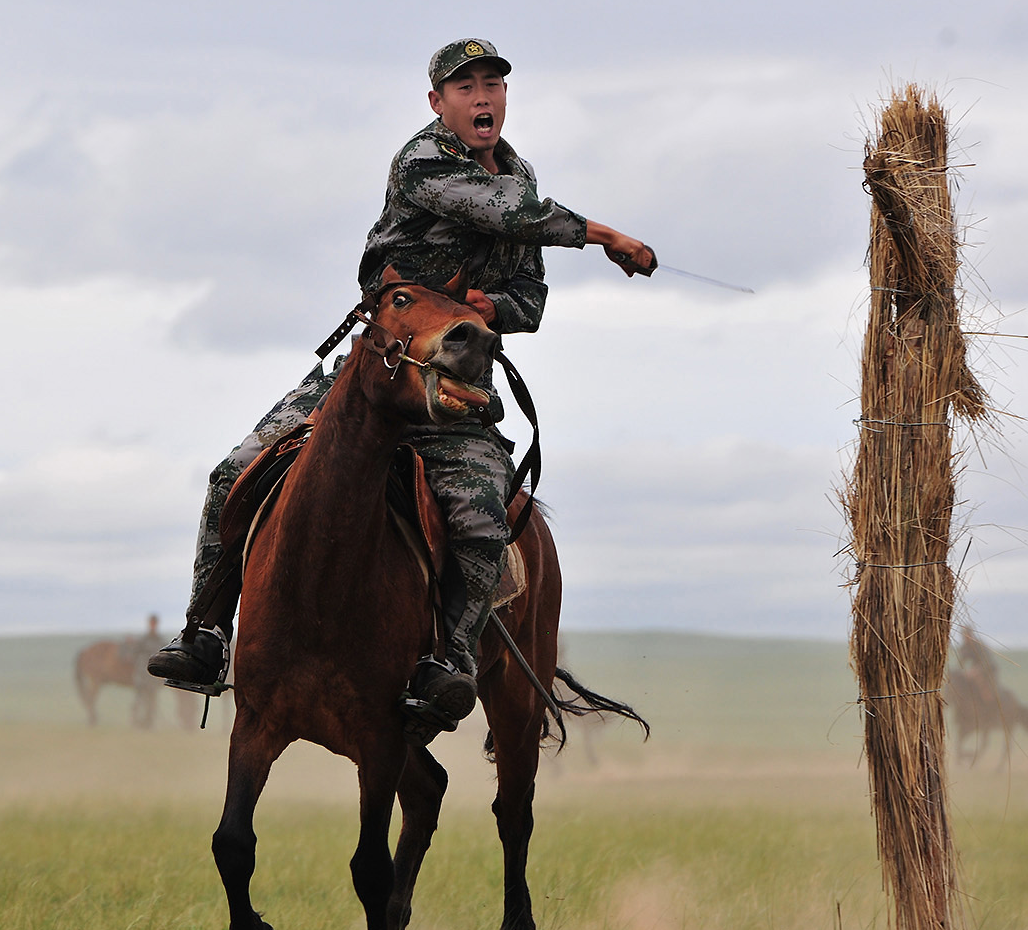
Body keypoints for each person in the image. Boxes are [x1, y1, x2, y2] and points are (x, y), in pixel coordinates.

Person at [148, 38, 654, 737]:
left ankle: (449, 662)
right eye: (466, 86)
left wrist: (486, 310)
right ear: (437, 102)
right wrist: (608, 237)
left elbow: (529, 301)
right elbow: (511, 216)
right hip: (376, 373)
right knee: (232, 472)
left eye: (493, 85)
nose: (482, 97)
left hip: (455, 392)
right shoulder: (422, 161)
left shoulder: (522, 176)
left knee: (484, 520)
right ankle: (205, 633)